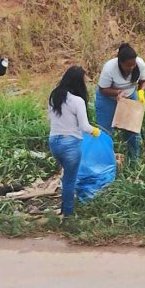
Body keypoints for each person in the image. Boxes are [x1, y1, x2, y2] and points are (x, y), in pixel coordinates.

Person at [47, 65, 100, 217]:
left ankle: (64, 209)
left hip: (54, 142)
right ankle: (68, 215)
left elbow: (51, 119)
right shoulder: (77, 101)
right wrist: (96, 131)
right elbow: (84, 126)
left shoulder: (54, 96)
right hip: (70, 143)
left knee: (66, 176)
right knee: (70, 180)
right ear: (78, 82)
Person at [95, 43, 145, 161]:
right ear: (120, 62)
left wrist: (141, 92)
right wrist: (118, 93)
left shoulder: (140, 64)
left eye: (133, 64)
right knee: (105, 132)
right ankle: (104, 161)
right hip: (107, 99)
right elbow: (103, 89)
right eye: (128, 65)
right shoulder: (109, 68)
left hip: (129, 97)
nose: (132, 67)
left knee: (132, 130)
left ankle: (133, 160)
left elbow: (144, 81)